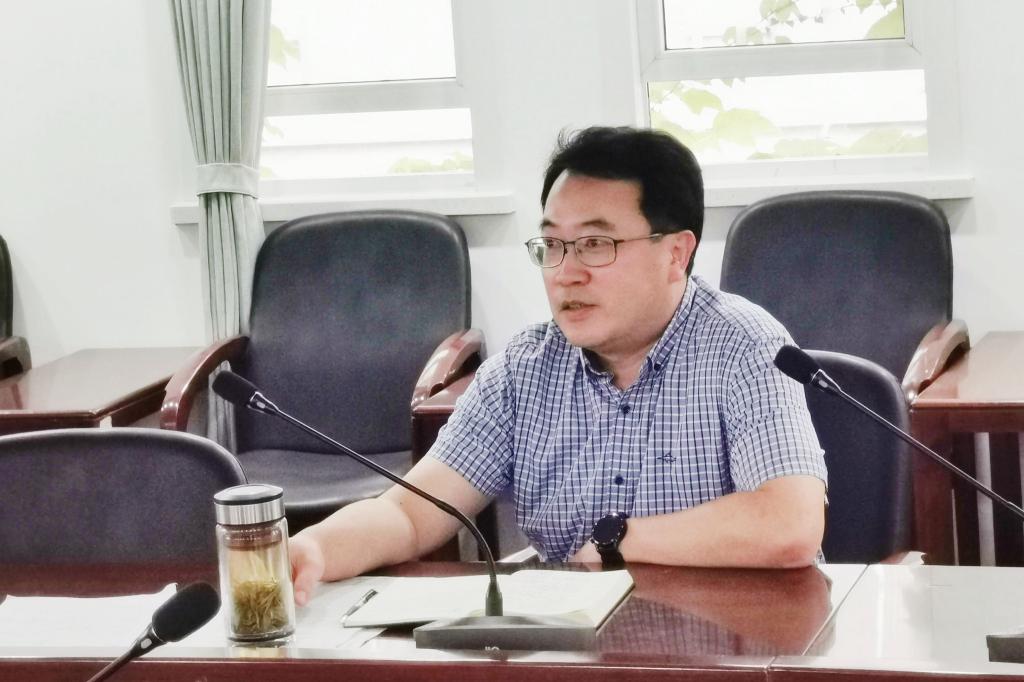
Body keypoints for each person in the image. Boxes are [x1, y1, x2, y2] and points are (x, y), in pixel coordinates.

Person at [289, 126, 826, 606]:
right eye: (552, 245)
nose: (565, 272)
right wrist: (314, 548)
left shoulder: (744, 347)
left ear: (675, 254)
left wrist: (618, 540)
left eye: (594, 244)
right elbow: (409, 514)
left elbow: (789, 524)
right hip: (572, 653)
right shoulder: (523, 372)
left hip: (732, 649)